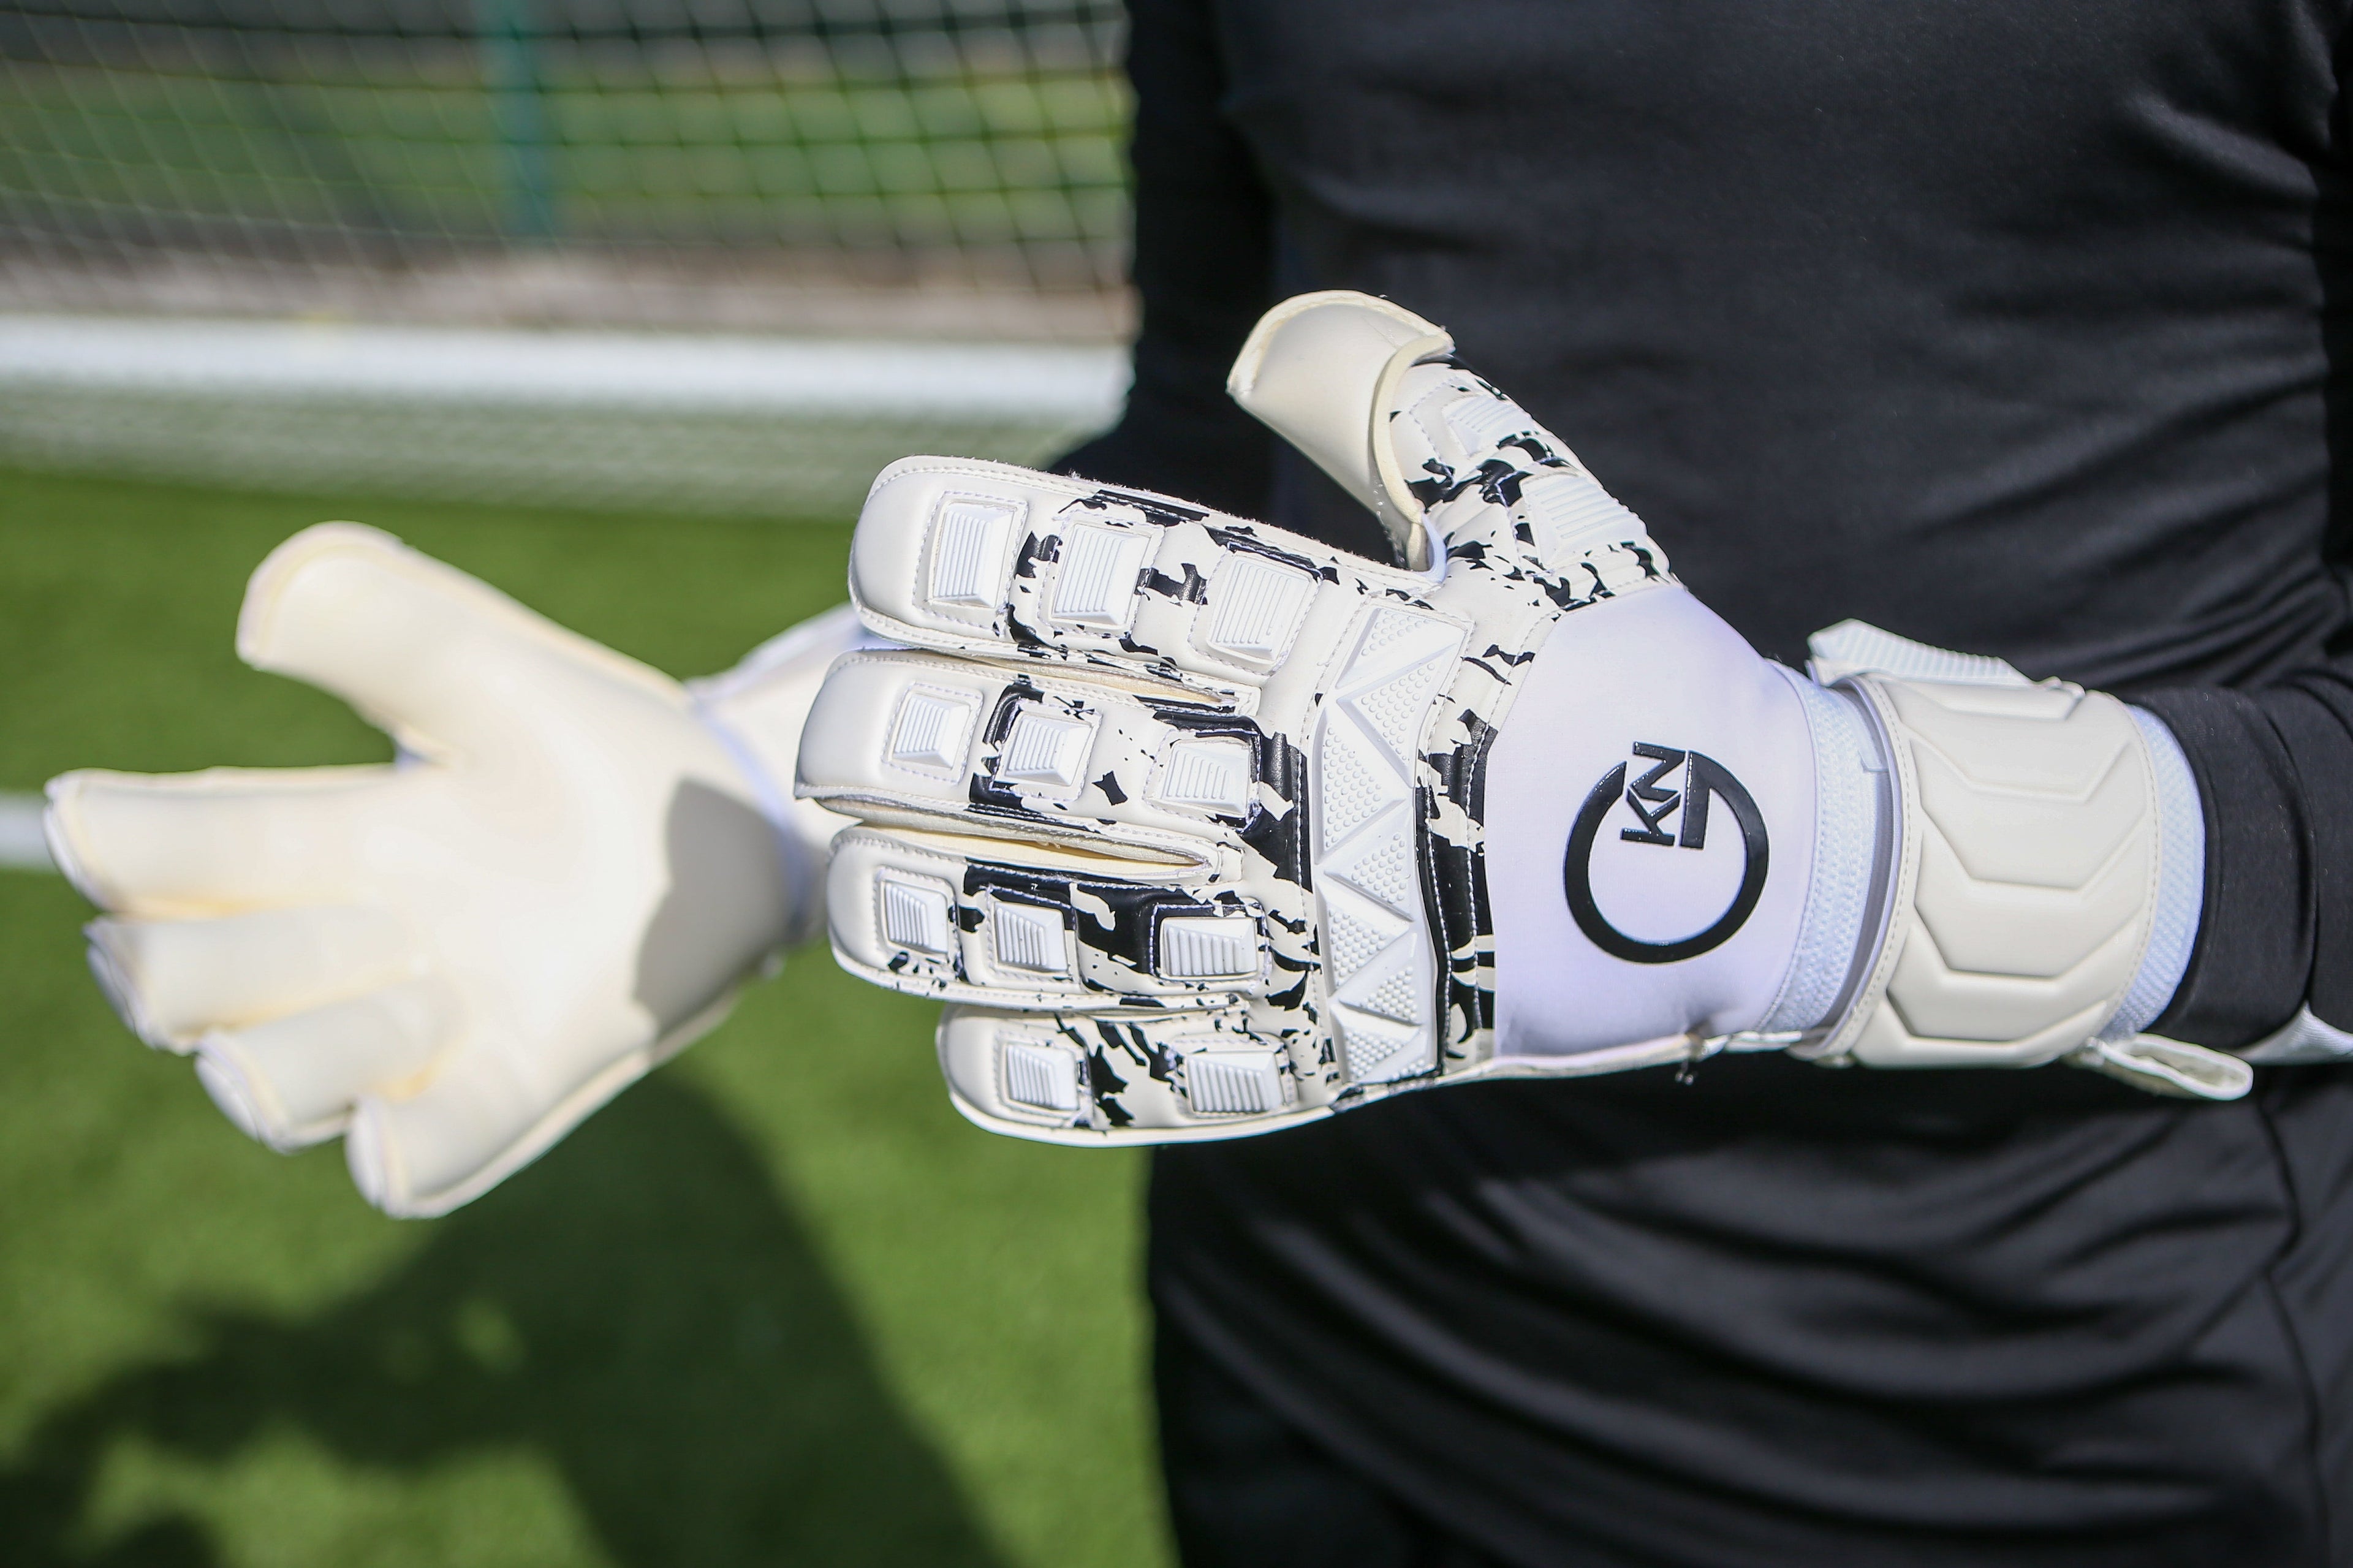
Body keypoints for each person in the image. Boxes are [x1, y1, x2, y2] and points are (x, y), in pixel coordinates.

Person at [41, 2, 2353, 1564]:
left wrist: (1864, 863)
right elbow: (1222, 446)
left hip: (2049, 1427)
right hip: (1300, 1312)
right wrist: (752, 771)